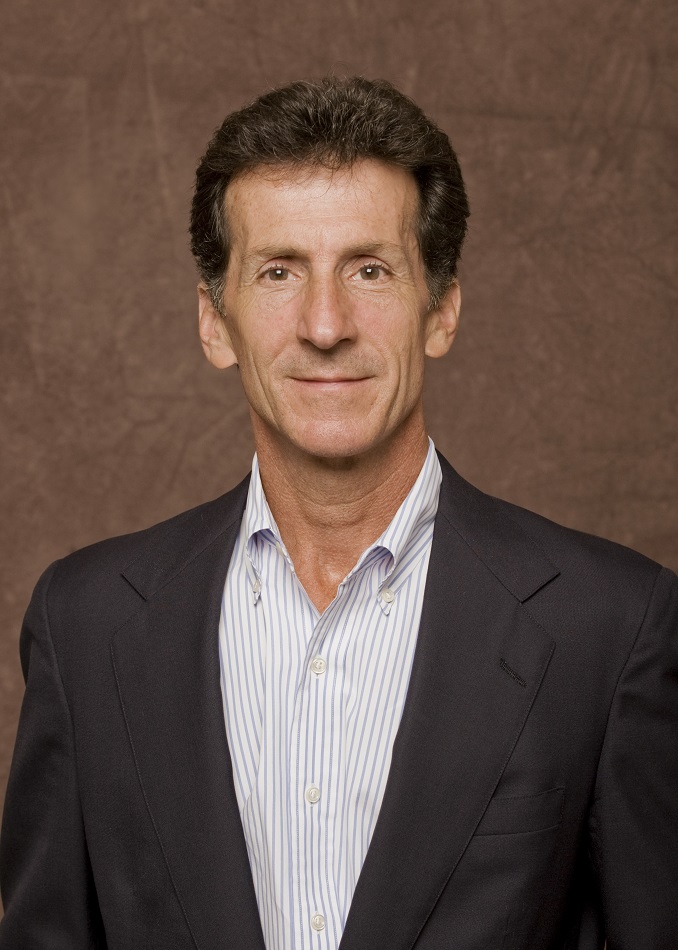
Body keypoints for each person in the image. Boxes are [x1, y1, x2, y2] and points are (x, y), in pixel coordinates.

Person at [0, 76, 676, 950]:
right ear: (215, 322)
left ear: (441, 311)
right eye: (280, 271)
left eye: (369, 269)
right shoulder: (84, 625)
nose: (325, 324)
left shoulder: (611, 628)